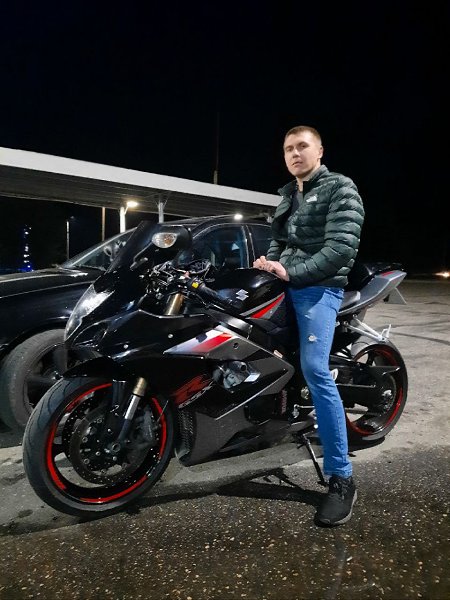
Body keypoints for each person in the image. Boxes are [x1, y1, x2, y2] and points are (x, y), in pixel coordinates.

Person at [253, 125, 364, 525]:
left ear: (319, 151)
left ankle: (341, 477)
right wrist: (269, 264)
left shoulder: (340, 188)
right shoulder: (288, 194)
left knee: (316, 369)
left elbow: (341, 248)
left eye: (302, 146)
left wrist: (292, 272)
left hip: (320, 287)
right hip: (286, 281)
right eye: (288, 149)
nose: (295, 154)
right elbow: (278, 242)